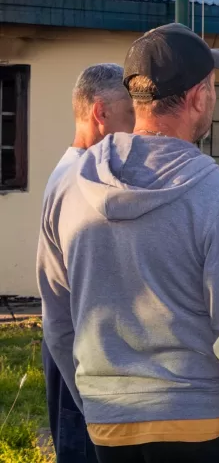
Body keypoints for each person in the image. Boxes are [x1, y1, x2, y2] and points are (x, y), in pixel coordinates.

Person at [37, 23, 219, 463]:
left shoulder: (67, 187)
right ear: (198, 97)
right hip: (201, 425)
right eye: (212, 85)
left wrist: (96, 404)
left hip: (109, 425)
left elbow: (57, 322)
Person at [41, 63, 134, 463]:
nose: (138, 126)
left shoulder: (81, 172)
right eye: (130, 113)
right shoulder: (79, 181)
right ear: (100, 113)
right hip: (78, 358)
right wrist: (83, 393)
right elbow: (58, 307)